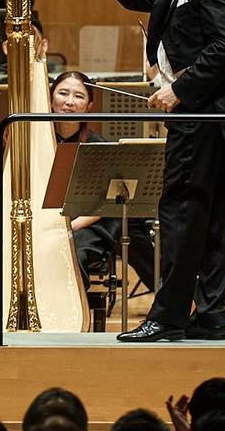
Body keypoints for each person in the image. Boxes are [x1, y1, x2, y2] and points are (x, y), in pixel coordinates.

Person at [76, 0, 225, 343]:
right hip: (195, 119)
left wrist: (179, 88)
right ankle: (209, 318)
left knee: (180, 216)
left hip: (202, 118)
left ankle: (168, 318)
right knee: (202, 220)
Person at [51, 70, 156, 294]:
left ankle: (73, 310)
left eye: (78, 96)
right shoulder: (32, 140)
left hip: (87, 225)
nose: (69, 102)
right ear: (50, 99)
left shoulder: (97, 145)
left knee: (73, 252)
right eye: (63, 93)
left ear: (89, 105)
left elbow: (105, 199)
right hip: (43, 222)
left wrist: (69, 227)